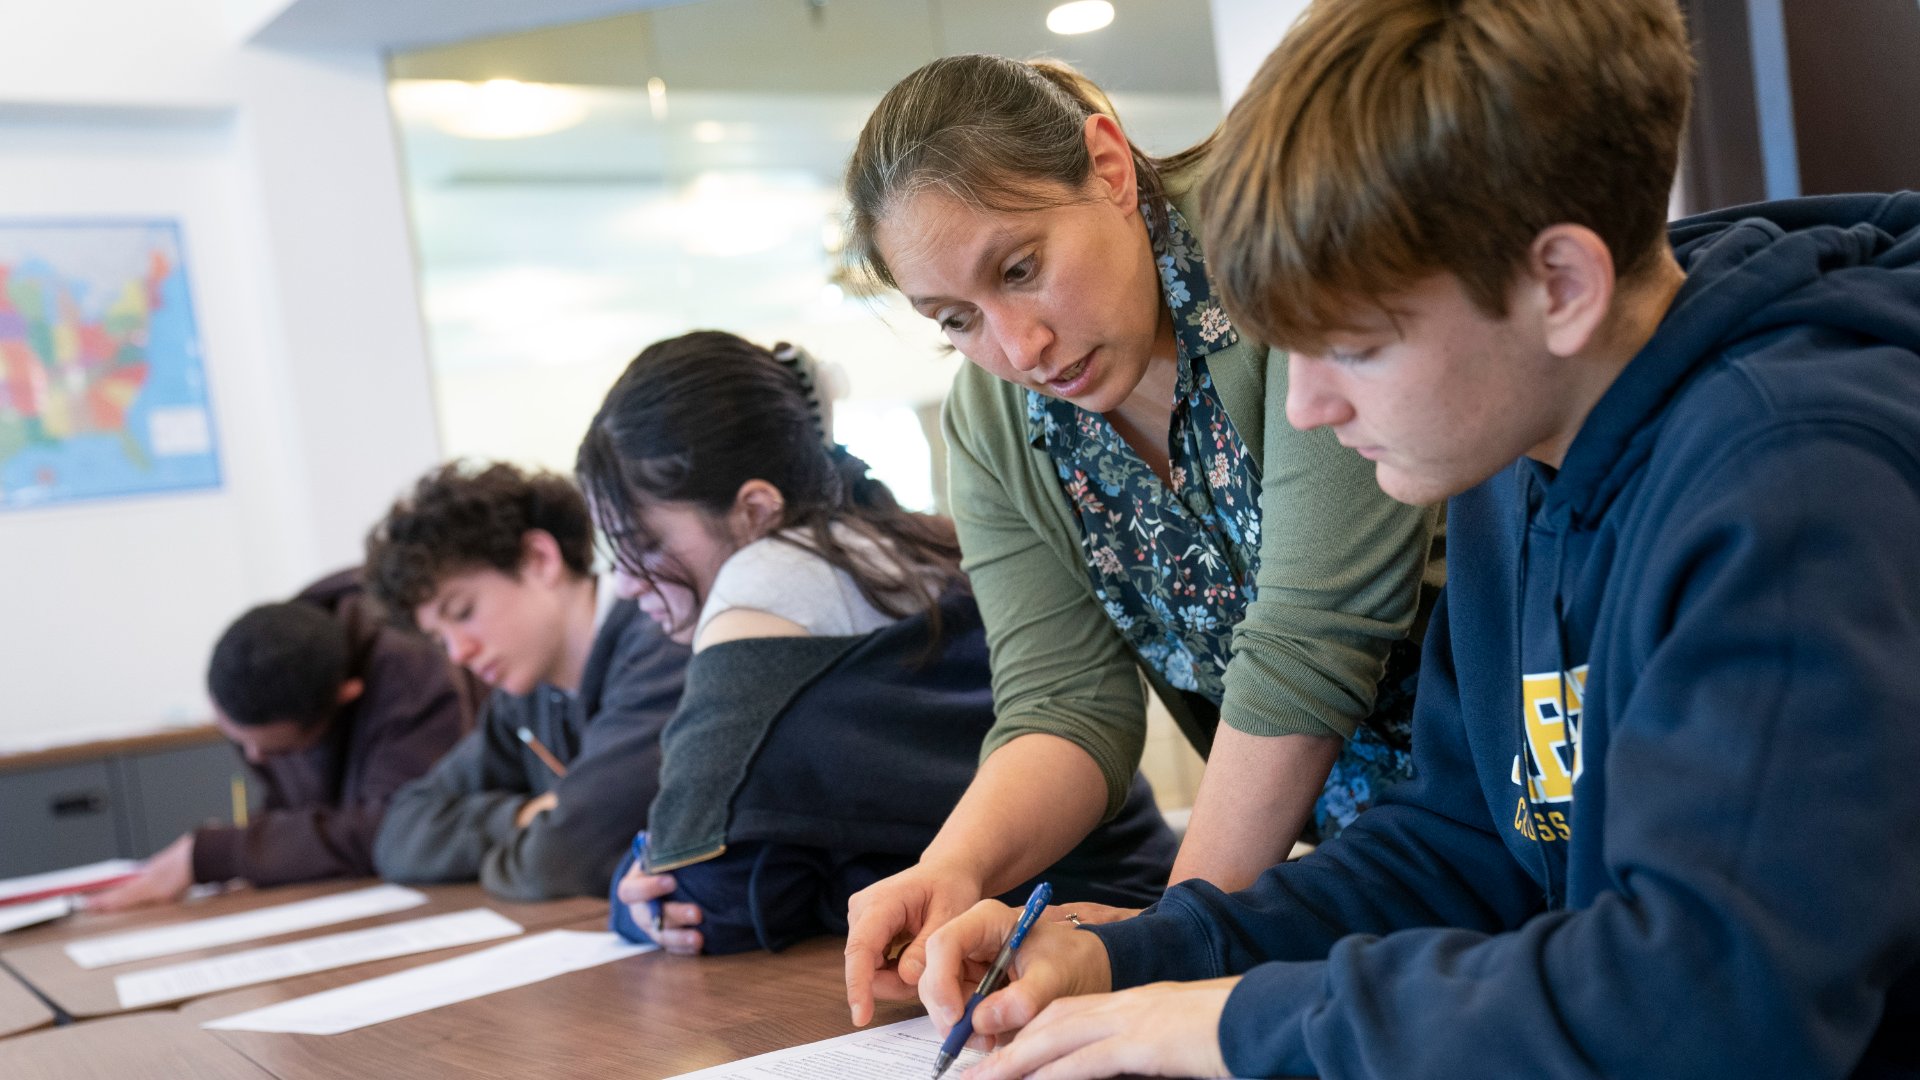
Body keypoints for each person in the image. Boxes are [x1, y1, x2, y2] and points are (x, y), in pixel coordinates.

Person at [914, 1, 1920, 1077]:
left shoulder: (1794, 479)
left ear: (1560, 287)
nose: (1305, 410)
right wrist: (1139, 956)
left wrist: (1230, 1023)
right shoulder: (1513, 464)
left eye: (1351, 345)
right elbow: (1461, 844)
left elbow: (1703, 1003)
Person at [837, 53, 1443, 1021]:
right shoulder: (994, 421)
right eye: (956, 319)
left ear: (1110, 168)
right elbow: (1062, 702)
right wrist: (952, 869)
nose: (1017, 349)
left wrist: (1165, 944)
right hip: (1346, 882)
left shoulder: (1277, 254)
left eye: (1022, 269)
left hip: (1512, 813)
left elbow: (1315, 637)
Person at [578, 331, 1177, 955]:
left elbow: (707, 901)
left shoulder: (761, 581)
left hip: (1076, 945)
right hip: (1135, 903)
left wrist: (638, 890)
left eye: (644, 546)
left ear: (754, 510)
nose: (624, 584)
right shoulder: (895, 541)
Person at [367, 462, 689, 901]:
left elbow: (558, 863)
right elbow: (400, 834)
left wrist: (540, 839)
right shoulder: (524, 697)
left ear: (540, 559)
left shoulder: (662, 645)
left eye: (463, 612)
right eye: (439, 638)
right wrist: (521, 817)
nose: (458, 653)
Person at [89, 569, 482, 911]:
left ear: (347, 695)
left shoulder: (413, 669)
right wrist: (262, 852)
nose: (254, 757)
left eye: (278, 750)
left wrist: (222, 854)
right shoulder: (274, 654)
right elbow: (295, 808)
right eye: (237, 739)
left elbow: (397, 826)